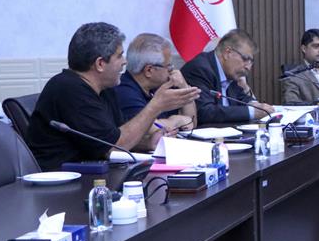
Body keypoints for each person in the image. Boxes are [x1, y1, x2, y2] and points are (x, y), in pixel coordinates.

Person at [25, 23, 200, 170]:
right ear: (100, 64)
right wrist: (156, 105)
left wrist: (148, 143)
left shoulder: (105, 88)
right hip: (63, 183)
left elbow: (114, 136)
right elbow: (114, 147)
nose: (125, 61)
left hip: (95, 173)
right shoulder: (69, 89)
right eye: (119, 56)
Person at [181, 29, 275, 123]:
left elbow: (241, 98)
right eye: (245, 59)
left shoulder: (230, 73)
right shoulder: (200, 69)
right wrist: (252, 112)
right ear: (227, 53)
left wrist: (255, 105)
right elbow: (205, 112)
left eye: (251, 62)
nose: (248, 67)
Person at [113, 33, 198, 134]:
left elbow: (191, 123)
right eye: (168, 66)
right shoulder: (125, 92)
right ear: (149, 70)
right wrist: (176, 120)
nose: (172, 70)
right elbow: (151, 130)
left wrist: (183, 86)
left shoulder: (158, 85)